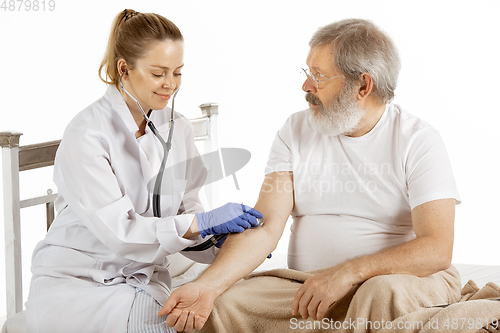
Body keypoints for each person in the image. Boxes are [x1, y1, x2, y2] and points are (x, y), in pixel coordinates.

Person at [159, 18, 462, 332]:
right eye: (307, 72)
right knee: (220, 307)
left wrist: (348, 273)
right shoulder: (295, 130)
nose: (306, 86)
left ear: (363, 86)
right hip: (309, 286)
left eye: (318, 76)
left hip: (401, 282)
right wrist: (209, 285)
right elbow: (266, 227)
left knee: (378, 295)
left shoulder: (418, 139)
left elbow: (437, 247)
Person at [25, 9, 262, 333]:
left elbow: (186, 211)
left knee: (230, 314)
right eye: (159, 73)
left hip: (144, 277)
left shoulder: (177, 128)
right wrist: (200, 224)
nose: (171, 85)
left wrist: (221, 241)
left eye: (177, 72)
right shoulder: (88, 135)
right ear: (124, 68)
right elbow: (123, 234)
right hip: (78, 284)